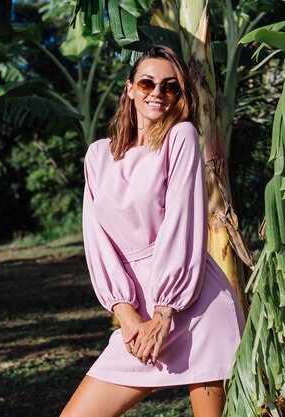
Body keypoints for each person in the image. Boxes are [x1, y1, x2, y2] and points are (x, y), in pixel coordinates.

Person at [60, 45, 245, 417]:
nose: (156, 93)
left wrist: (164, 314)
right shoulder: (97, 155)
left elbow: (181, 224)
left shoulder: (180, 138)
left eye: (169, 86)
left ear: (179, 96)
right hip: (136, 314)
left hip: (195, 306)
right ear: (129, 88)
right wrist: (128, 318)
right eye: (147, 83)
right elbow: (98, 242)